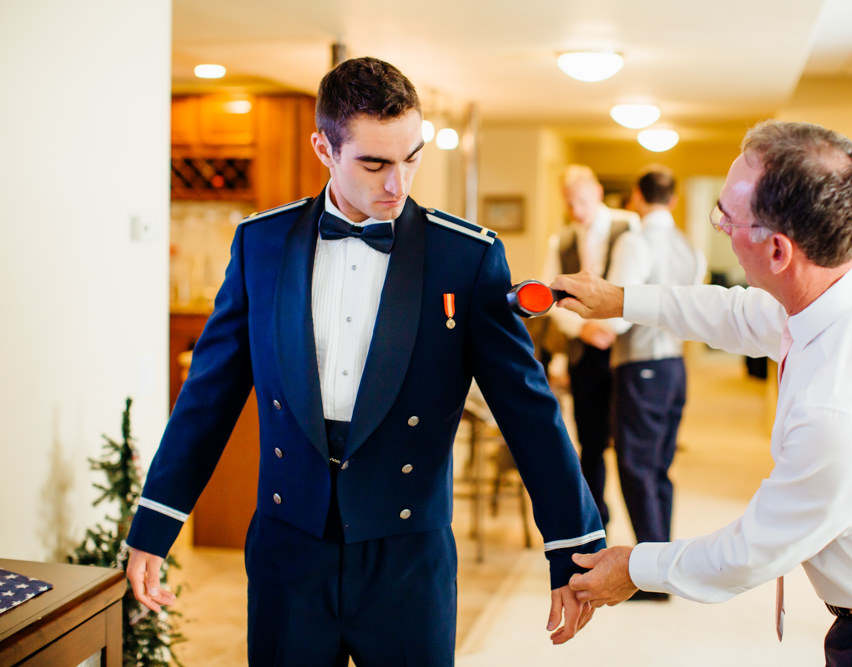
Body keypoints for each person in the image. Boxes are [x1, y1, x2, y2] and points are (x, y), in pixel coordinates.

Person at [125, 56, 605, 666]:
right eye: (374, 163)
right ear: (323, 148)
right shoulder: (261, 244)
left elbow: (529, 412)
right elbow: (208, 397)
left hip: (408, 556)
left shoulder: (466, 257)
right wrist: (156, 524)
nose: (397, 185)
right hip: (288, 549)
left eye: (412, 157)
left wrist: (573, 547)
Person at [555, 120, 852, 664]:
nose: (719, 226)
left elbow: (752, 551)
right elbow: (743, 313)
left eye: (727, 218)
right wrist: (620, 298)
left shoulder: (841, 412)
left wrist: (633, 569)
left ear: (779, 250)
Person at [603, 166, 705, 601]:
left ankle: (651, 576)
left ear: (636, 198)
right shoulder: (689, 247)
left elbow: (619, 312)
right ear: (675, 200)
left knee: (636, 467)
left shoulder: (635, 240)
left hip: (640, 363)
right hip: (674, 368)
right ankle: (660, 564)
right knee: (658, 467)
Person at [541, 164, 639, 527]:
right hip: (584, 353)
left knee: (628, 441)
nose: (576, 209)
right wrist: (583, 331)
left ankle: (637, 524)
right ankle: (597, 515)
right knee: (590, 441)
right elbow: (551, 300)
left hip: (625, 351)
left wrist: (612, 325)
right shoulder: (562, 241)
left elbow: (641, 284)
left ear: (597, 192)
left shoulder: (629, 226)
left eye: (581, 199)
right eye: (570, 203)